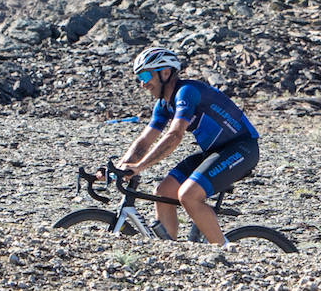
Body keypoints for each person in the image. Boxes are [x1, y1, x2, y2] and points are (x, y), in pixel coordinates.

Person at [110, 46, 260, 246]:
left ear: (165, 72)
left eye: (145, 75)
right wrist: (117, 168)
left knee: (189, 195)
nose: (143, 84)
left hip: (242, 148)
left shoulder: (187, 92)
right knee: (163, 191)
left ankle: (224, 254)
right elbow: (143, 142)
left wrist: (140, 167)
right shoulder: (163, 105)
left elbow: (174, 135)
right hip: (214, 151)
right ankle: (171, 251)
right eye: (139, 77)